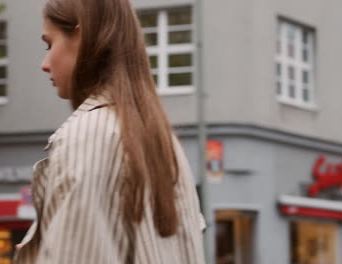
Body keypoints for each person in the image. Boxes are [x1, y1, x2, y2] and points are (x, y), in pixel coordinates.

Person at [13, 0, 206, 263]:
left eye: (49, 44)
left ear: (81, 36)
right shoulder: (161, 141)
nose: (44, 64)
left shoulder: (89, 135)